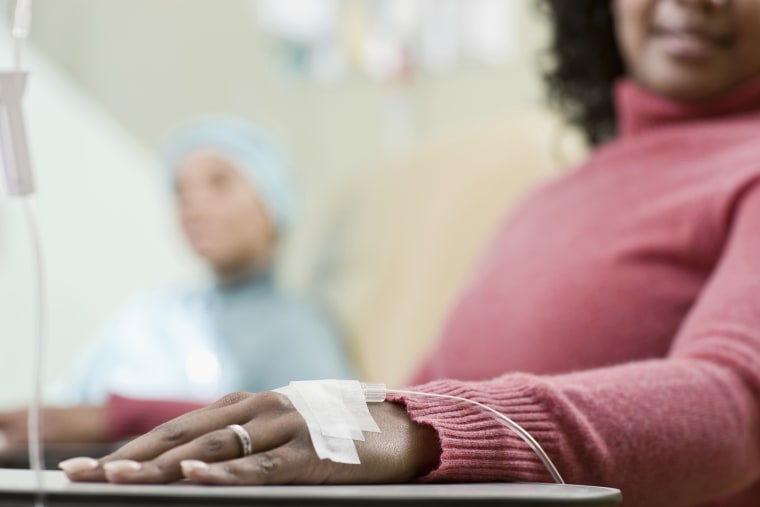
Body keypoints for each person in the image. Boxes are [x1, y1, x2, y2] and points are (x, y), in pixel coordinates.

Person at [58, 1, 760, 506]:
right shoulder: (551, 197)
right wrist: (118, 422)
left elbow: (735, 405)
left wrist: (418, 425)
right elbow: (403, 402)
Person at [0, 118, 353, 449]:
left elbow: (334, 436)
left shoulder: (296, 327)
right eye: (180, 190)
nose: (193, 202)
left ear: (273, 198)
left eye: (219, 182)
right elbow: (62, 410)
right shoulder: (150, 312)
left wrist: (118, 419)